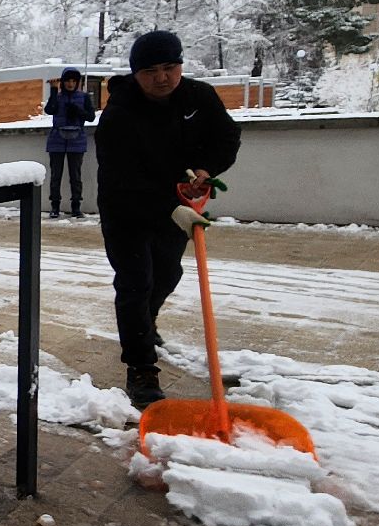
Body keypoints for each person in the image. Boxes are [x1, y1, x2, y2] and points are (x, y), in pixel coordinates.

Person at [94, 30, 241, 406]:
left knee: (167, 274)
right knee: (135, 283)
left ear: (180, 66)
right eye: (150, 71)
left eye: (169, 67)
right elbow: (122, 177)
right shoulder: (118, 116)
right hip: (126, 208)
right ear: (136, 74)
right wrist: (170, 207)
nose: (162, 77)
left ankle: (145, 323)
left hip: (178, 204)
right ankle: (141, 368)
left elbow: (226, 137)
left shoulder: (198, 97)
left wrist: (205, 170)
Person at [43, 66, 95, 219]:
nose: (70, 84)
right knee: (55, 175)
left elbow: (91, 116)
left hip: (77, 139)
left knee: (75, 175)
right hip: (57, 139)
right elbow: (50, 110)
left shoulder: (83, 97)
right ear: (63, 82)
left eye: (73, 81)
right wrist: (53, 91)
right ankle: (55, 206)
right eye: (68, 81)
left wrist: (78, 111)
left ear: (77, 82)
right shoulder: (58, 97)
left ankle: (76, 207)